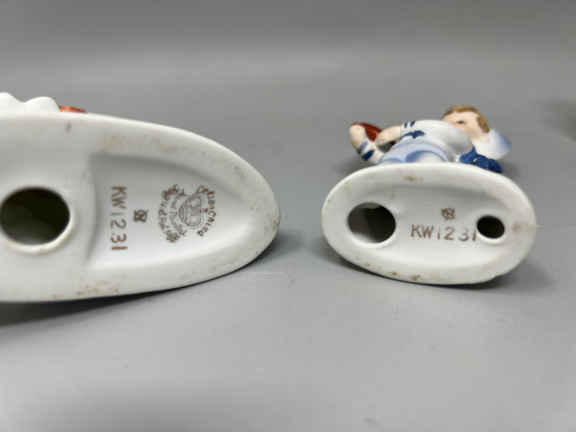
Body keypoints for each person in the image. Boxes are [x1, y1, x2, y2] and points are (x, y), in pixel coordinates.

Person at [349, 105, 510, 173]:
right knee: (388, 163)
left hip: (433, 157)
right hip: (400, 151)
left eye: (461, 122)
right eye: (448, 121)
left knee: (428, 161)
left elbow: (489, 167)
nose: (452, 125)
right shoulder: (425, 131)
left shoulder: (467, 151)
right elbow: (413, 129)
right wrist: (398, 131)